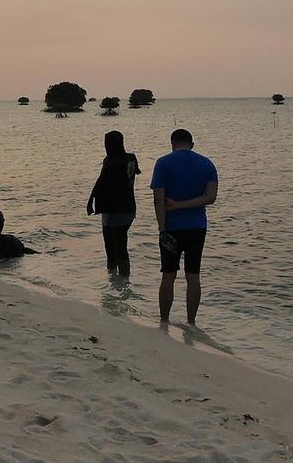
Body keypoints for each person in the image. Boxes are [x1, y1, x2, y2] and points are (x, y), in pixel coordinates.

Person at [150, 128, 218, 325]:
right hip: (197, 227)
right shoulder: (207, 164)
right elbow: (210, 198)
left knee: (168, 275)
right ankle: (191, 322)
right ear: (192, 144)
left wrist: (162, 228)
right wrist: (183, 205)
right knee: (193, 276)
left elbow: (158, 199)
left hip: (171, 227)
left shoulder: (163, 163)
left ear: (172, 144)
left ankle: (164, 320)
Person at [87, 131, 141, 277]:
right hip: (127, 208)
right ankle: (118, 281)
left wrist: (90, 200)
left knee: (114, 247)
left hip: (114, 210)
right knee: (118, 244)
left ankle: (119, 280)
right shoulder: (130, 159)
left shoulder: (112, 162)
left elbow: (101, 182)